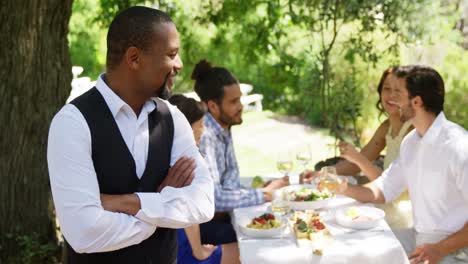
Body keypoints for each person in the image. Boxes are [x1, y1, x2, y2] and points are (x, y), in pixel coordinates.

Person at [47, 7, 214, 264]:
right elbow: (84, 232)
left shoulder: (173, 117)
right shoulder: (72, 123)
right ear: (134, 58)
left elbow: (203, 202)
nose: (179, 65)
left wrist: (127, 203)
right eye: (171, 54)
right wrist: (160, 211)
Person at [324, 65, 468, 263]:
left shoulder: (459, 147)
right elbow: (384, 189)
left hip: (454, 251)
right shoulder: (411, 142)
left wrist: (439, 249)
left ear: (416, 102)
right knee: (350, 249)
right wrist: (343, 188)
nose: (392, 100)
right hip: (418, 239)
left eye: (399, 94)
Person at [192, 59, 289, 262]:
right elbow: (215, 199)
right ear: (213, 106)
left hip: (220, 217)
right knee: (266, 237)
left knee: (273, 226)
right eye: (233, 102)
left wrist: (251, 192)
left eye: (240, 100)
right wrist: (264, 194)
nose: (241, 106)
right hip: (197, 229)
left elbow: (232, 178)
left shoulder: (224, 127)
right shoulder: (206, 136)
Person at [303, 66, 414, 228]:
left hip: (399, 216)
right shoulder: (386, 127)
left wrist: (357, 158)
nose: (391, 96)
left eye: (398, 91)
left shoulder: (412, 132)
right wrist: (320, 174)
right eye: (386, 89)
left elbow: (387, 185)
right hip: (378, 203)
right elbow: (354, 165)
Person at [169, 94, 222, 264]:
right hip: (181, 247)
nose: (203, 129)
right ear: (187, 129)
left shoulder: (166, 154)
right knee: (228, 253)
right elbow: (188, 211)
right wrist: (198, 251)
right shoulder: (186, 161)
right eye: (200, 124)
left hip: (172, 241)